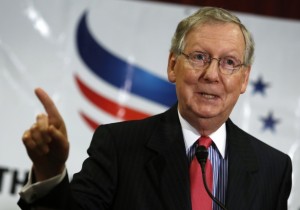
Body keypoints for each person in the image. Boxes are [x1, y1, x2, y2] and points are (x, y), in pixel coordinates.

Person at [18, 6, 292, 210]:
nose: (211, 74)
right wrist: (50, 171)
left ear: (244, 79)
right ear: (173, 65)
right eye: (199, 57)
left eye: (229, 63)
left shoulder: (273, 168)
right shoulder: (118, 146)